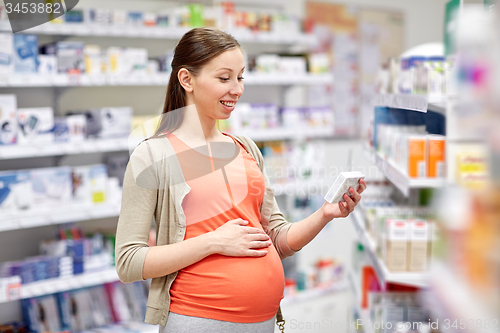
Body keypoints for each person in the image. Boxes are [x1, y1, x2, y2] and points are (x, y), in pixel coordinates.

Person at [115, 27, 366, 333]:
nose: (237, 89)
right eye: (224, 78)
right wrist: (213, 242)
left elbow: (276, 239)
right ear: (186, 79)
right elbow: (128, 262)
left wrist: (325, 214)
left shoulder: (245, 149)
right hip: (199, 321)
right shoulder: (152, 156)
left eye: (240, 77)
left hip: (262, 322)